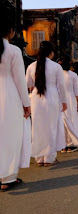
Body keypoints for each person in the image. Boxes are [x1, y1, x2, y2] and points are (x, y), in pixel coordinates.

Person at [0, 11, 31, 192]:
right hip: (8, 98)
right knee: (10, 137)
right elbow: (20, 80)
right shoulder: (13, 50)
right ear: (10, 31)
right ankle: (8, 177)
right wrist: (26, 104)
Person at [26, 41, 67, 167]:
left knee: (37, 128)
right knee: (51, 127)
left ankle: (39, 158)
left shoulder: (31, 66)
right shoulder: (56, 67)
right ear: (51, 52)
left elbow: (28, 84)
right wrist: (64, 101)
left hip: (36, 99)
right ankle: (49, 158)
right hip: (52, 98)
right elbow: (61, 86)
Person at [61, 56, 78, 153]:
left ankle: (62, 145)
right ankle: (70, 144)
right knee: (71, 121)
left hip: (60, 99)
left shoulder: (58, 74)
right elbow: (76, 91)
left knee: (62, 122)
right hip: (70, 99)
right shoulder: (73, 75)